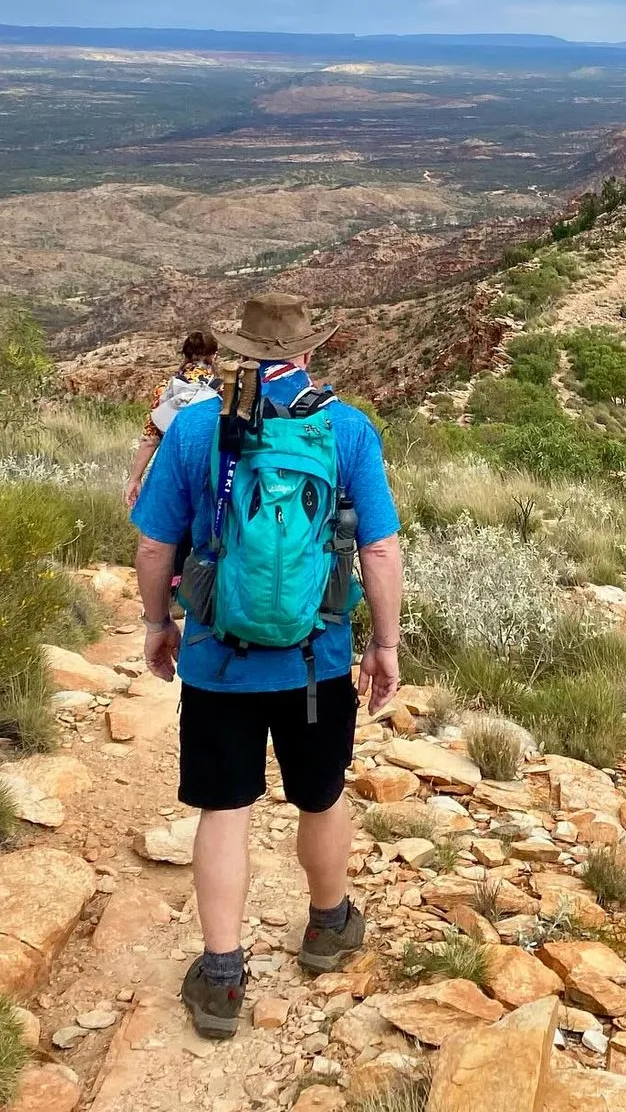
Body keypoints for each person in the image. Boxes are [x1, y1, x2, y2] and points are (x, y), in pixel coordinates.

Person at [131, 293, 403, 1040]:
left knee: (226, 808)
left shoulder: (193, 428)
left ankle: (221, 976)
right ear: (309, 351)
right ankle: (328, 924)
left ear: (244, 354)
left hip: (219, 658)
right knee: (320, 795)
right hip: (314, 660)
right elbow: (378, 549)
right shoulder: (346, 428)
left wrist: (160, 625)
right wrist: (384, 644)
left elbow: (155, 547)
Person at [124, 330, 221, 508]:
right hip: (211, 470)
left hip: (173, 468)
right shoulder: (224, 391)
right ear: (214, 356)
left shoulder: (164, 390)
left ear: (185, 355)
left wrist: (135, 479)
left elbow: (150, 440)